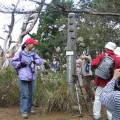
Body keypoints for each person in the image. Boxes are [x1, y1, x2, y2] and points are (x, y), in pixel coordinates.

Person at [11, 38, 43, 119]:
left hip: (32, 75)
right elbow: (13, 62)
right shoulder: (20, 53)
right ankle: (24, 111)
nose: (34, 46)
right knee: (24, 94)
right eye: (33, 44)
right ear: (28, 44)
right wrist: (20, 64)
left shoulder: (33, 53)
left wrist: (36, 61)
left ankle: (30, 108)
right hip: (23, 76)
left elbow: (40, 61)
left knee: (31, 94)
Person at [92, 42, 120, 120]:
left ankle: (96, 116)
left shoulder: (102, 55)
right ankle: (110, 118)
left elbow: (94, 64)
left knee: (97, 98)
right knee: (111, 100)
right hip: (111, 82)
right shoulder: (117, 59)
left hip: (101, 82)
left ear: (106, 48)